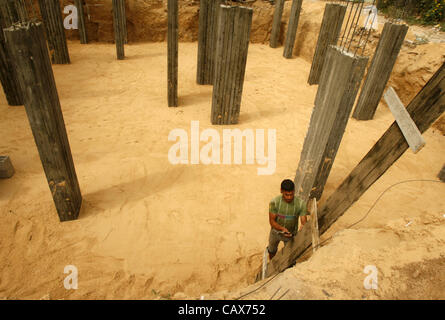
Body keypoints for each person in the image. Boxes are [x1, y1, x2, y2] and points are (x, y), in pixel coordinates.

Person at [267, 179, 308, 260]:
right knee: (271, 251)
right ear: (281, 191)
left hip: (290, 235)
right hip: (275, 232)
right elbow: (272, 221)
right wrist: (282, 229)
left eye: (291, 194)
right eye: (286, 195)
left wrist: (303, 226)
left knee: (290, 256)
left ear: (294, 191)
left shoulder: (301, 204)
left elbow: (303, 221)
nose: (289, 197)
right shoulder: (274, 203)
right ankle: (271, 263)